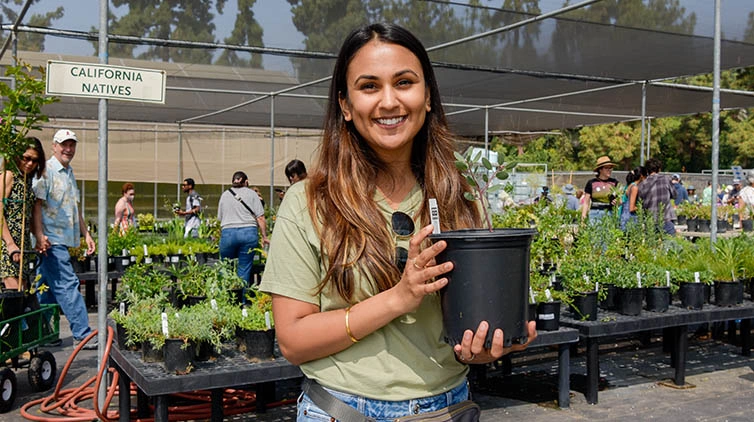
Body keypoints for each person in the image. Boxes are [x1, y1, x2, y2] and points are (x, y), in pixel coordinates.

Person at [259, 23, 536, 421]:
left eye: (404, 82)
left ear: (426, 97)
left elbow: (464, 326)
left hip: (448, 407)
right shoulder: (310, 202)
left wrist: (491, 343)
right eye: (369, 86)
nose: (389, 101)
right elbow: (293, 341)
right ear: (345, 105)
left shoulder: (457, 196)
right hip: (345, 410)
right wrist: (397, 298)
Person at [32, 129, 97, 350]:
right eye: (64, 145)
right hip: (51, 240)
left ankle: (44, 333)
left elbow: (74, 207)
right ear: (54, 146)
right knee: (68, 284)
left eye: (72, 145)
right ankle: (82, 333)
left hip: (63, 239)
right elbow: (36, 206)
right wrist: (40, 236)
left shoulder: (69, 173)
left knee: (46, 287)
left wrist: (86, 234)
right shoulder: (46, 171)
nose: (68, 149)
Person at [1, 138, 45, 290]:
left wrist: (39, 237)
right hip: (7, 244)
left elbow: (27, 217)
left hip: (22, 245)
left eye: (35, 160)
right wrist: (10, 244)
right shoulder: (9, 175)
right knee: (14, 293)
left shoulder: (26, 182)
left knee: (21, 294)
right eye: (26, 158)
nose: (30, 164)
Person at [217, 171, 269, 285]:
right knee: (244, 268)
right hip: (248, 233)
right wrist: (264, 236)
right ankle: (243, 300)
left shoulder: (225, 195)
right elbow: (260, 217)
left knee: (226, 267)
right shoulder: (252, 194)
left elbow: (220, 219)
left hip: (228, 233)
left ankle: (226, 297)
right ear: (246, 182)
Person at [637, 157, 676, 235]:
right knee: (670, 245)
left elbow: (639, 202)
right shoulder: (666, 179)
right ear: (659, 169)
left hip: (650, 221)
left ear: (647, 170)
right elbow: (674, 195)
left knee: (652, 245)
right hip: (666, 218)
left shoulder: (642, 185)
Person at [581, 155, 619, 221]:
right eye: (607, 168)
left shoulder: (614, 183)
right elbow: (586, 202)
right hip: (595, 214)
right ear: (600, 169)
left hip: (609, 213)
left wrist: (617, 201)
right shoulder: (592, 183)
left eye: (611, 168)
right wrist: (583, 218)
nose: (609, 170)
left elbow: (620, 200)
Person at [620, 166, 646, 230]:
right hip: (630, 219)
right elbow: (631, 208)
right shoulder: (634, 188)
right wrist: (642, 207)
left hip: (624, 216)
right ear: (642, 176)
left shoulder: (630, 185)